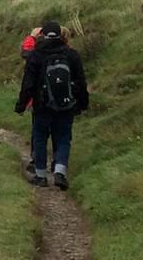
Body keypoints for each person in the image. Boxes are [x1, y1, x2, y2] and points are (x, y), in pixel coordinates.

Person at [16, 20, 89, 189]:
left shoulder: (36, 55)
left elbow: (28, 84)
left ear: (43, 35)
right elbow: (81, 82)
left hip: (41, 106)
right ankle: (60, 172)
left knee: (40, 137)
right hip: (66, 105)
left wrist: (21, 105)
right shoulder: (71, 54)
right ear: (60, 34)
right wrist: (83, 104)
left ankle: (41, 176)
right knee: (63, 137)